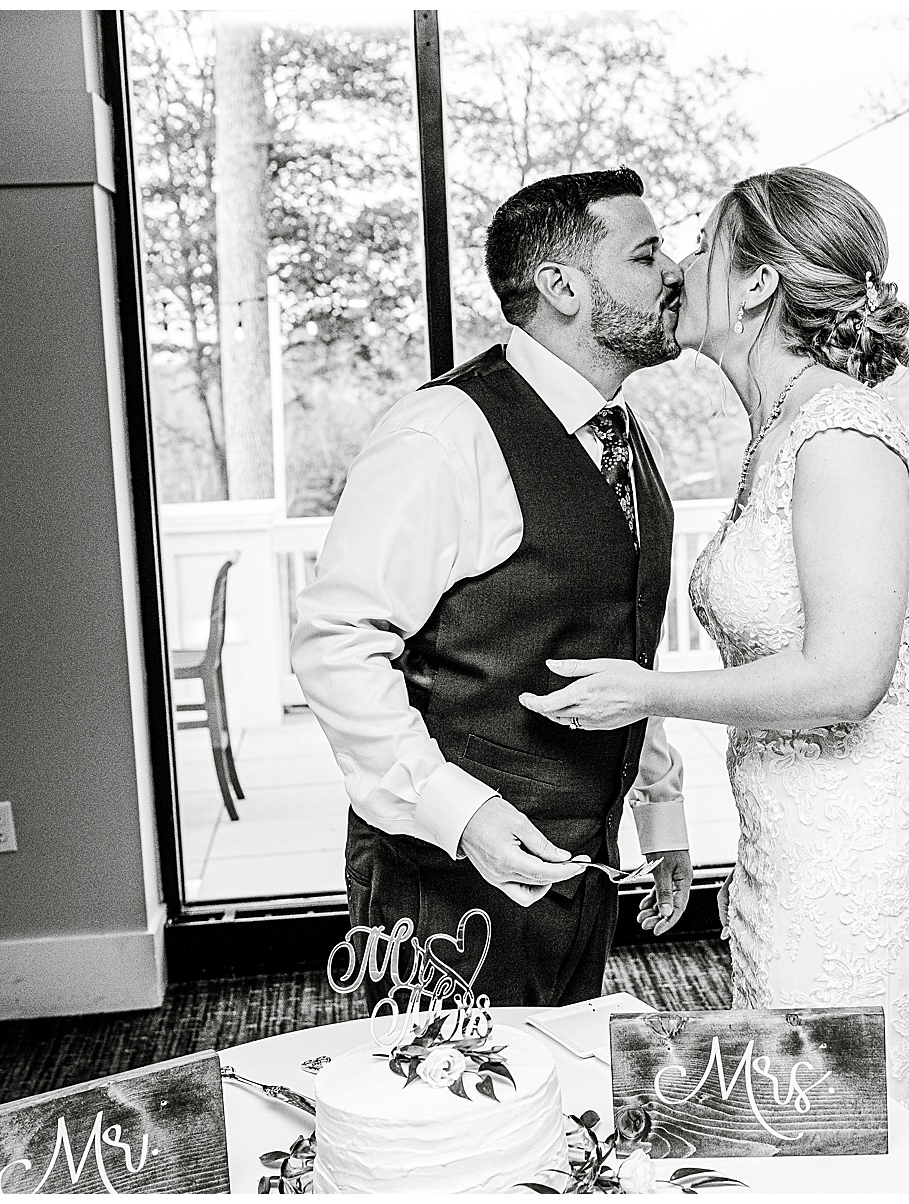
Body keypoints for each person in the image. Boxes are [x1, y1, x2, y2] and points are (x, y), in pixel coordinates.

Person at [520, 166, 909, 1191]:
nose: (677, 267)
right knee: (796, 1131)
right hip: (790, 843)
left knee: (842, 1143)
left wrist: (647, 690)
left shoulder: (843, 435)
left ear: (759, 284)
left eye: (703, 248)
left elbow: (846, 679)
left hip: (862, 859)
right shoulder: (776, 435)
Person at [291, 168, 695, 1009]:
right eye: (647, 255)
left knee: (562, 1112)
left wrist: (660, 815)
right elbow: (338, 642)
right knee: (448, 1124)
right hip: (443, 882)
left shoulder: (617, 432)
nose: (675, 274)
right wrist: (459, 813)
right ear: (562, 287)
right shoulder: (444, 433)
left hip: (581, 867)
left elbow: (616, 640)